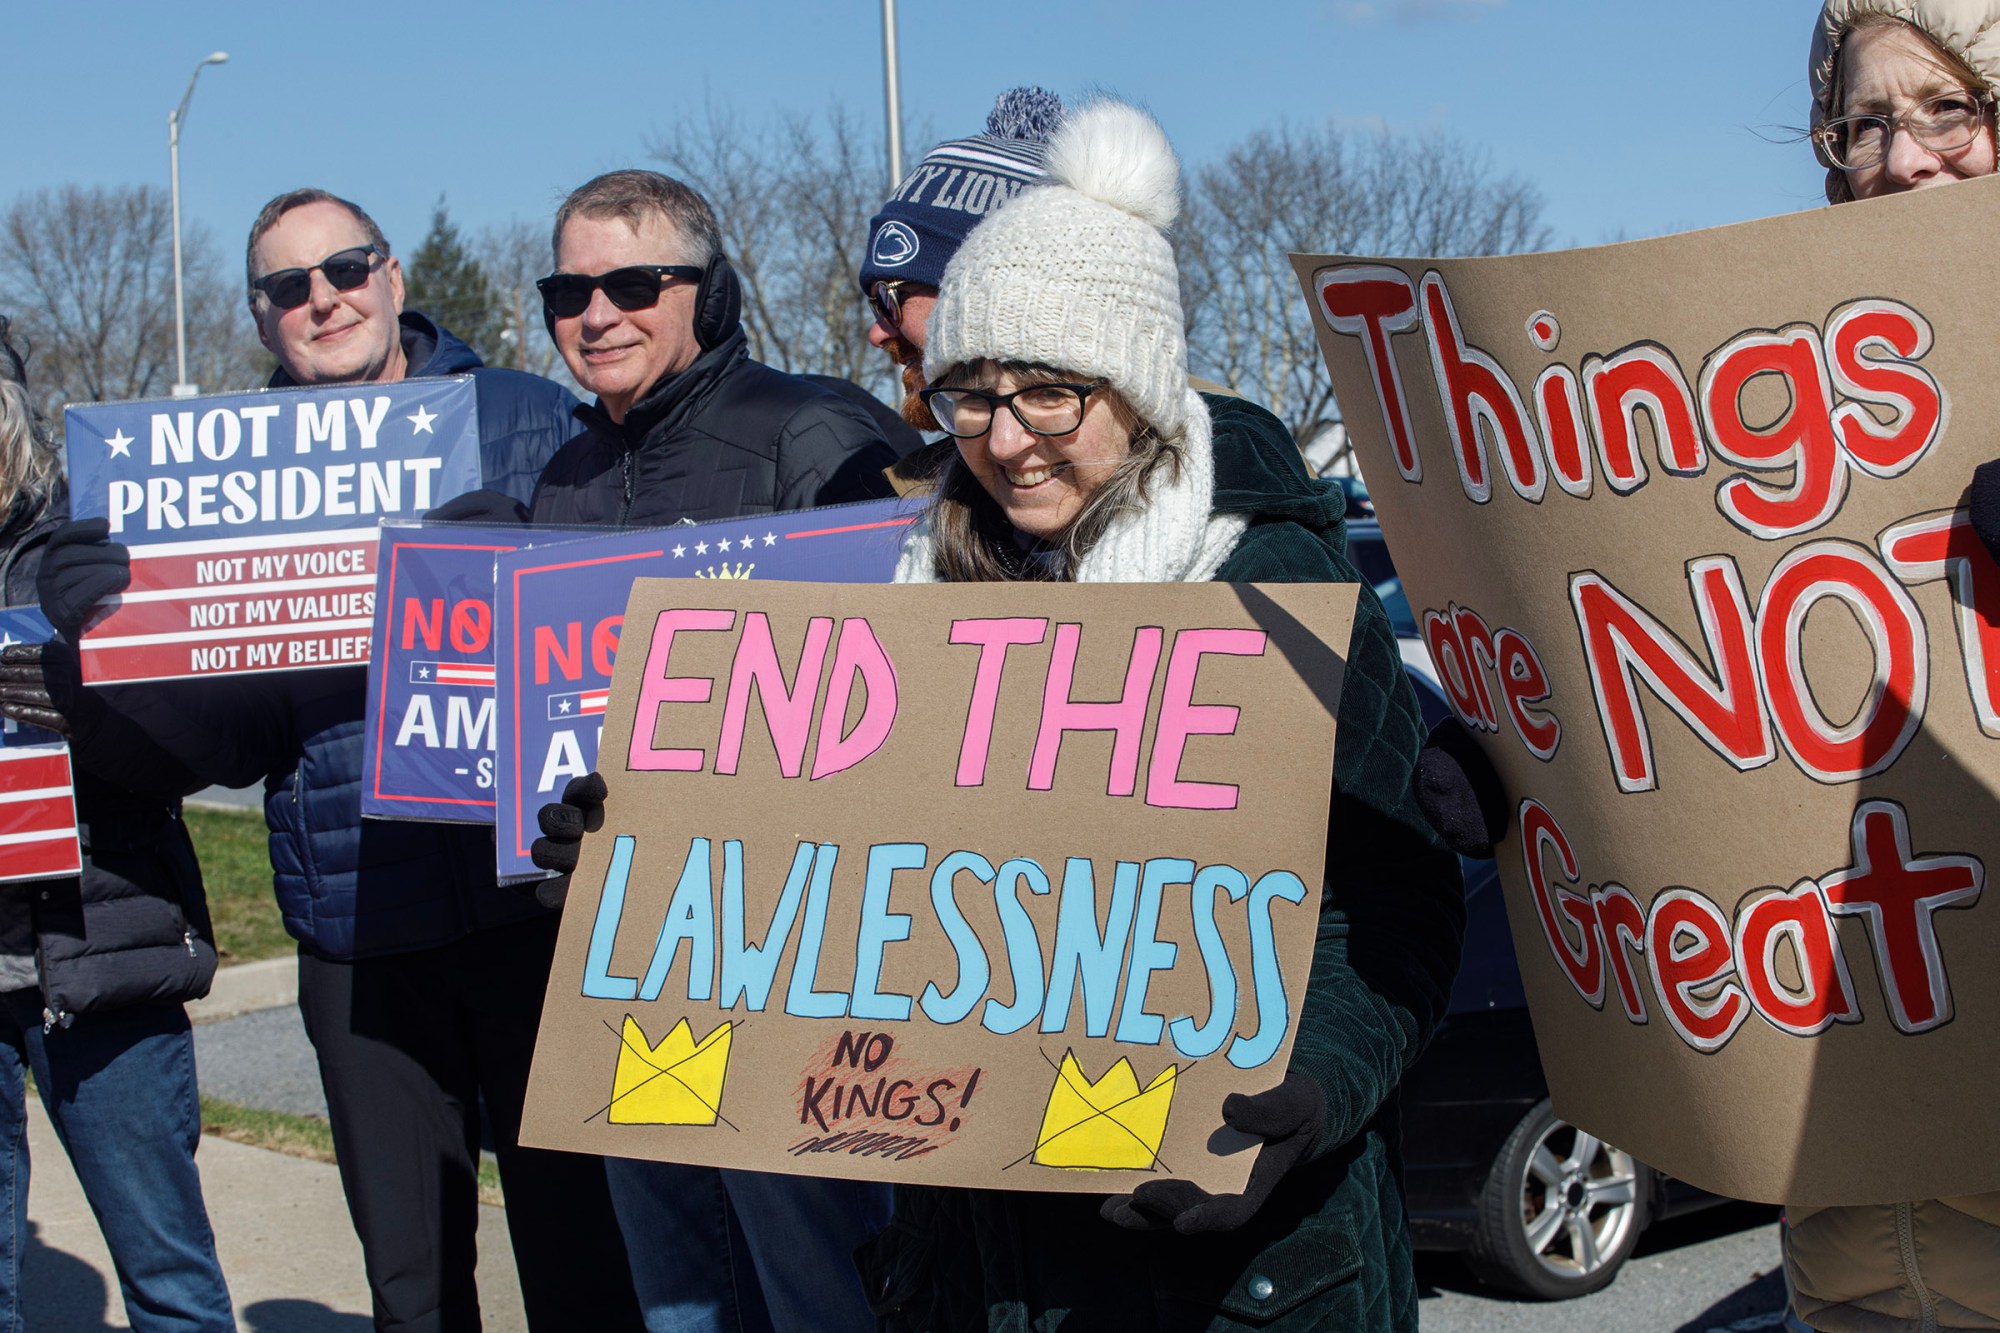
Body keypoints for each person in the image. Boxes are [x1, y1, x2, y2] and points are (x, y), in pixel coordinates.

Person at [537, 103, 1465, 1333]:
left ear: (1131, 386)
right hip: (988, 1264)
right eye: (970, 396)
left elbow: (1397, 911)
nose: (1007, 441)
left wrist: (1310, 1094)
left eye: (1049, 396)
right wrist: (636, 865)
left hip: (1239, 1273)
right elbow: (840, 891)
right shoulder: (925, 592)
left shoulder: (1274, 587)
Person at [35, 191, 643, 1333]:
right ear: (263, 319)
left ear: (395, 275)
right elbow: (220, 744)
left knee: (583, 1265)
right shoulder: (212, 482)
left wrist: (518, 563)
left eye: (346, 267)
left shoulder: (519, 413)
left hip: (536, 909)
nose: (324, 298)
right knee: (412, 1289)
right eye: (288, 287)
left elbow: (632, 614)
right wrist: (110, 647)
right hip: (359, 927)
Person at [524, 169, 898, 1333]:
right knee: (677, 1286)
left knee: (819, 1287)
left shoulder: (814, 432)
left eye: (633, 283)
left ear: (710, 290)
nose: (596, 314)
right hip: (627, 955)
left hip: (795, 957)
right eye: (568, 289)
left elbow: (916, 701)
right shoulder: (564, 476)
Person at [1783, 7, 2000, 1329]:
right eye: (1863, 122)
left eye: (1950, 107)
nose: (1902, 159)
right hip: (1853, 1254)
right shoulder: (1777, 422)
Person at [0, 317, 233, 1332]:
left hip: (98, 953)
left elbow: (183, 757)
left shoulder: (85, 551)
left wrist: (61, 700)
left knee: (167, 1273)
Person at [857, 86, 1065, 458]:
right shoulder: (931, 493)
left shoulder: (1190, 477)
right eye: (875, 303)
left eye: (891, 298)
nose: (877, 333)